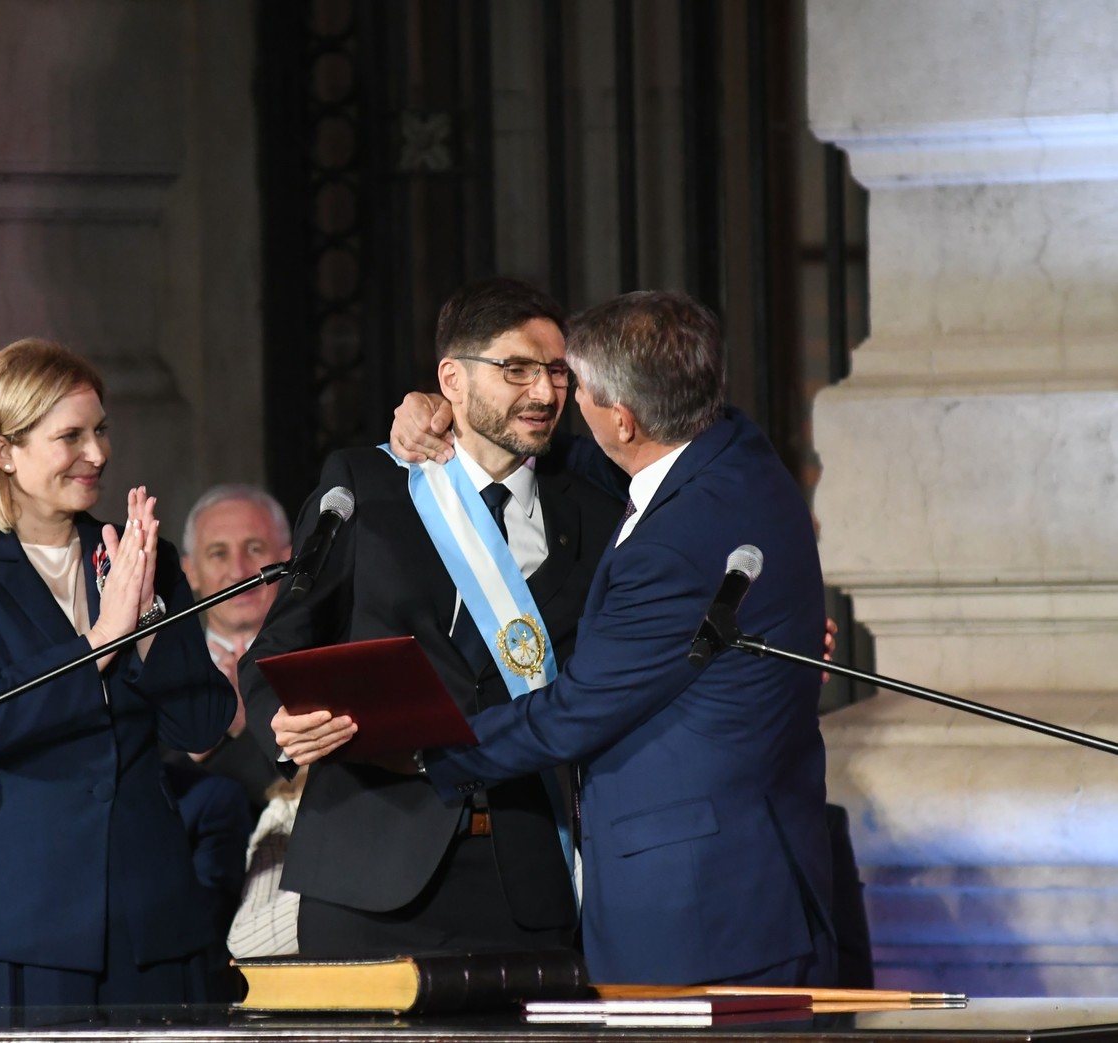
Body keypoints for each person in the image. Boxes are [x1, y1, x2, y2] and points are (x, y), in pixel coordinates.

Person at [384, 290, 835, 985]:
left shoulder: (673, 548)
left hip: (697, 913)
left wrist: (423, 750)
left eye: (573, 383)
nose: (556, 400)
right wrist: (435, 405)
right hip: (757, 875)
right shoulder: (737, 450)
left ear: (622, 418)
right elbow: (590, 460)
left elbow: (575, 713)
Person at [239, 277, 625, 957]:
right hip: (367, 868)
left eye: (556, 371)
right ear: (451, 377)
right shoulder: (366, 485)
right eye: (515, 369)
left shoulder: (593, 511)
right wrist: (281, 719)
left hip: (525, 874)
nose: (542, 393)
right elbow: (282, 640)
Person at [0, 338, 236, 1007]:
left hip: (146, 913)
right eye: (70, 436)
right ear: (3, 450)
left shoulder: (141, 556)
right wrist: (104, 637)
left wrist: (146, 624)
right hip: (11, 918)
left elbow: (201, 722)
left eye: (100, 430)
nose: (97, 454)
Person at [174, 484, 292, 812]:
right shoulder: (158, 676)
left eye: (254, 549)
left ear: (287, 559)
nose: (239, 571)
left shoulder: (323, 663)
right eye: (218, 553)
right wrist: (206, 740)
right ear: (190, 572)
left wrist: (250, 723)